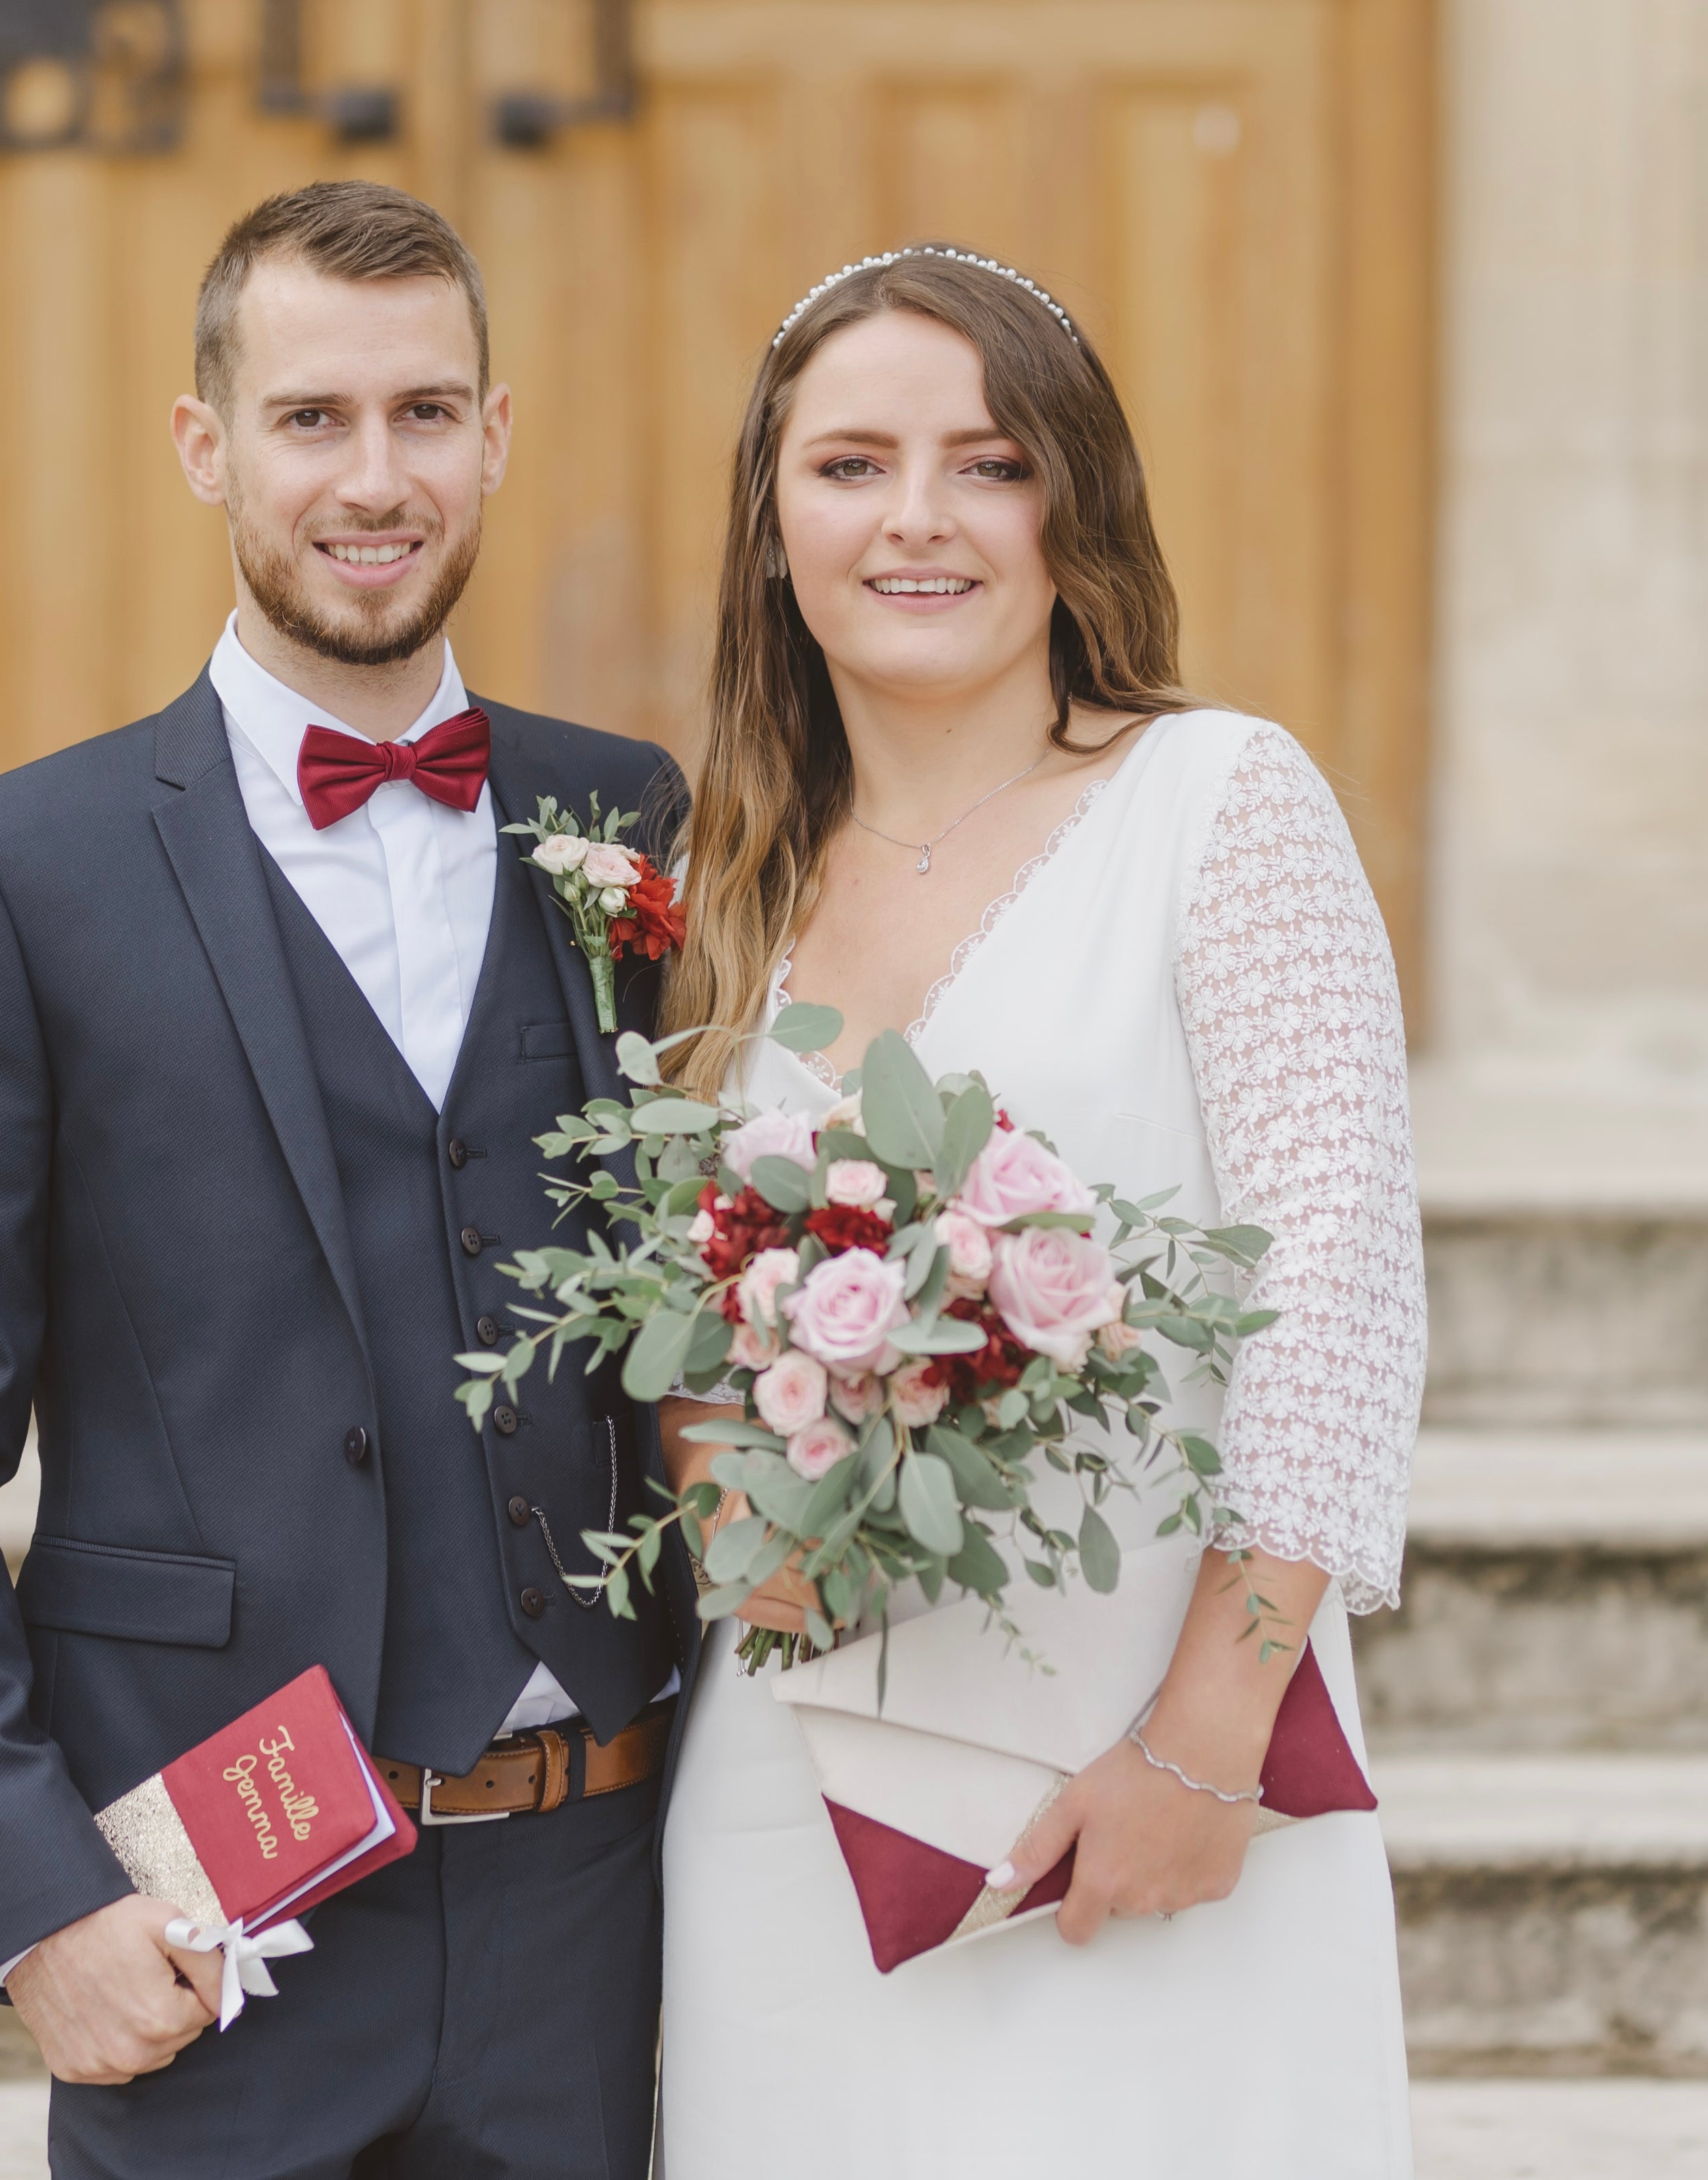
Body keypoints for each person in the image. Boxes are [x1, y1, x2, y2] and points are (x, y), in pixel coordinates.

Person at [0, 181, 689, 2180]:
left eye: (426, 415)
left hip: (601, 1900)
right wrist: (28, 1896)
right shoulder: (13, 875)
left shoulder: (628, 820)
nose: (376, 479)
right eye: (311, 419)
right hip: (217, 1925)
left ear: (496, 433)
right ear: (206, 443)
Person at [653, 247, 1423, 2177]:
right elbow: (669, 1306)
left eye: (986, 464)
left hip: (1156, 1752)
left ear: (1076, 507)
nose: (915, 520)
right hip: (802, 1774)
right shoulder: (716, 882)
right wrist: (738, 1525)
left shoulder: (1220, 803)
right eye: (849, 466)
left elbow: (1340, 1284)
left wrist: (1203, 1743)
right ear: (769, 524)